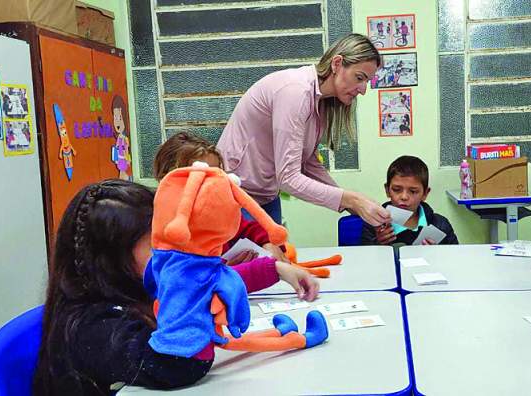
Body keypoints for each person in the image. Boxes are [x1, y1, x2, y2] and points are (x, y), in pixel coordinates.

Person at [33, 180, 319, 395]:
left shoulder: (129, 286)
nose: (174, 252)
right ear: (111, 260)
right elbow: (177, 366)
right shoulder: (95, 326)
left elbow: (201, 286)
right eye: (158, 245)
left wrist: (275, 269)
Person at [216, 33, 390, 227]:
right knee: (260, 256)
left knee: (277, 255)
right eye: (359, 78)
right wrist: (350, 199)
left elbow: (308, 162)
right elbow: (288, 178)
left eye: (367, 81)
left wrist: (354, 205)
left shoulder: (320, 100)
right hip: (235, 194)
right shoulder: (295, 92)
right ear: (337, 64)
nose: (363, 89)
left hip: (266, 195)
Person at [154, 131, 290, 264]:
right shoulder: (157, 225)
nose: (213, 184)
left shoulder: (215, 212)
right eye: (202, 177)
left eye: (217, 175)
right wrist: (225, 269)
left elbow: (247, 228)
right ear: (167, 178)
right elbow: (183, 277)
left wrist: (268, 243)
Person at [362, 156, 457, 245]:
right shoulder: (374, 224)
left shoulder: (440, 225)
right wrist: (377, 245)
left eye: (413, 191)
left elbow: (456, 258)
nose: (404, 197)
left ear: (425, 194)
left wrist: (438, 254)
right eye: (396, 190)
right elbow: (363, 259)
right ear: (387, 190)